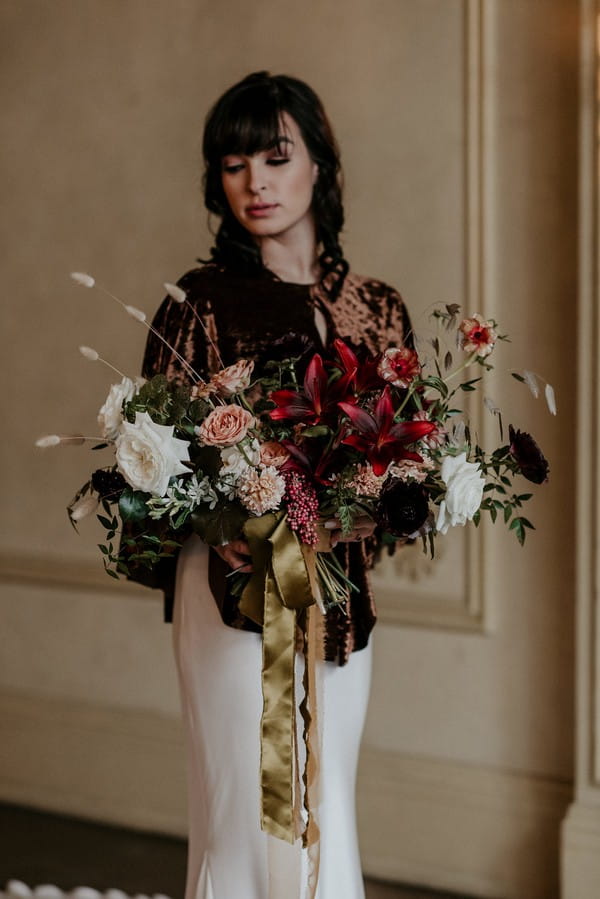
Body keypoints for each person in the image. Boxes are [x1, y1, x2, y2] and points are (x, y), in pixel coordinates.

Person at [136, 71, 413, 899]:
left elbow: (411, 459)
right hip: (232, 585)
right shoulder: (199, 304)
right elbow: (148, 467)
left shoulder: (376, 306)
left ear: (318, 165)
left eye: (275, 155)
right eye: (233, 163)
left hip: (341, 593)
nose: (255, 181)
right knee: (241, 807)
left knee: (329, 801)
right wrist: (231, 508)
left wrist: (372, 504)